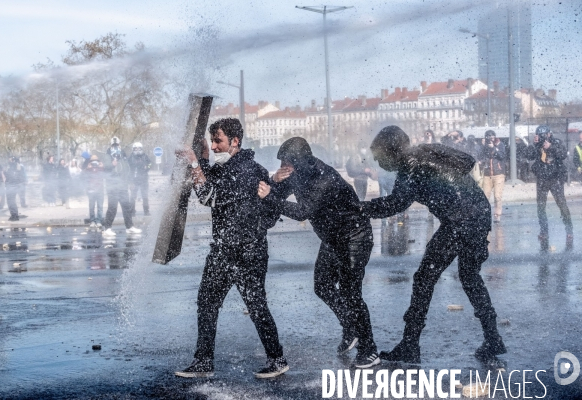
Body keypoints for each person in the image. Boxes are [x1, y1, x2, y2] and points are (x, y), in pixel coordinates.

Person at [361, 125, 506, 366]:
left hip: (460, 220)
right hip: (479, 212)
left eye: (379, 155)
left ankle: (410, 345)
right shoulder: (426, 150)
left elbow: (395, 204)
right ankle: (493, 338)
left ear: (391, 150)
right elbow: (468, 160)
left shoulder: (410, 165)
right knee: (470, 276)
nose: (376, 160)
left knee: (424, 278)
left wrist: (359, 208)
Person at [175, 118, 288, 379]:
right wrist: (201, 156)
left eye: (218, 141)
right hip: (224, 250)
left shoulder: (246, 170)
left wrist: (194, 161)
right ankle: (203, 361)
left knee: (257, 305)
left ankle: (277, 359)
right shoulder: (229, 166)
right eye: (212, 141)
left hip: (247, 251)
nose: (214, 146)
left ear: (235, 142)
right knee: (207, 302)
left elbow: (208, 196)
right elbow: (209, 179)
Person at [258, 137, 380, 369]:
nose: (284, 165)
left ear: (300, 161)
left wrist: (270, 196)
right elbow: (276, 197)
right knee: (322, 285)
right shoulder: (297, 174)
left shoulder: (324, 177)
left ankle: (369, 349)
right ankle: (350, 326)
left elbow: (302, 211)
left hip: (354, 236)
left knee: (350, 292)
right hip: (332, 239)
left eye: (287, 161)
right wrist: (272, 186)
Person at [525, 125, 573, 250]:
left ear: (549, 134)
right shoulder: (537, 145)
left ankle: (569, 229)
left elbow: (563, 154)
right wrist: (534, 144)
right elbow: (528, 156)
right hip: (542, 178)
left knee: (561, 203)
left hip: (555, 178)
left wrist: (550, 147)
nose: (542, 137)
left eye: (543, 135)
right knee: (541, 206)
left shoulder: (556, 142)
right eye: (539, 135)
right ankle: (544, 231)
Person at [102, 137, 141, 236]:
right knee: (112, 208)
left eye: (117, 145)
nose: (115, 147)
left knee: (126, 207)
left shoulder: (123, 156)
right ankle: (107, 228)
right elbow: (105, 169)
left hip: (123, 187)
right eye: (113, 145)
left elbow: (127, 170)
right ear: (111, 146)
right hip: (112, 187)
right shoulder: (107, 156)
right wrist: (112, 165)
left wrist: (130, 182)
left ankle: (129, 227)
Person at [480, 130, 506, 222]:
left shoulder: (500, 145)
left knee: (497, 196)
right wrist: (482, 147)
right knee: (485, 196)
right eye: (488, 137)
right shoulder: (484, 147)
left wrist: (494, 148)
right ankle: (485, 215)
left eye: (492, 137)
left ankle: (497, 215)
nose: (490, 139)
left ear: (495, 137)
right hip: (487, 175)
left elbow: (502, 156)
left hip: (498, 174)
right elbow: (481, 157)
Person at [128, 142, 152, 216]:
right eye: (136, 149)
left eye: (139, 149)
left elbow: (150, 164)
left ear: (141, 149)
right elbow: (128, 170)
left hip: (144, 179)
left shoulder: (145, 156)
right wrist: (130, 181)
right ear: (133, 149)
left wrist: (147, 167)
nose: (137, 150)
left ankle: (146, 211)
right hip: (134, 180)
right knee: (133, 196)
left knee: (145, 196)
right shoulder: (130, 158)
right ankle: (132, 211)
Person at [4, 157, 26, 221]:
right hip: (14, 185)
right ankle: (14, 215)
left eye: (10, 159)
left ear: (13, 161)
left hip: (12, 186)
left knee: (11, 201)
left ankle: (14, 215)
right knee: (11, 201)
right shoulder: (19, 167)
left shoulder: (11, 167)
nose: (9, 160)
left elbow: (8, 175)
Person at [85, 155, 105, 228]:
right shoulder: (88, 168)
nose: (94, 163)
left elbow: (105, 175)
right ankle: (92, 220)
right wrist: (87, 169)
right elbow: (84, 176)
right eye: (92, 161)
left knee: (100, 207)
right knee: (91, 207)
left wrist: (102, 167)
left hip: (100, 190)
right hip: (91, 190)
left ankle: (99, 220)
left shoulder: (101, 168)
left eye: (96, 161)